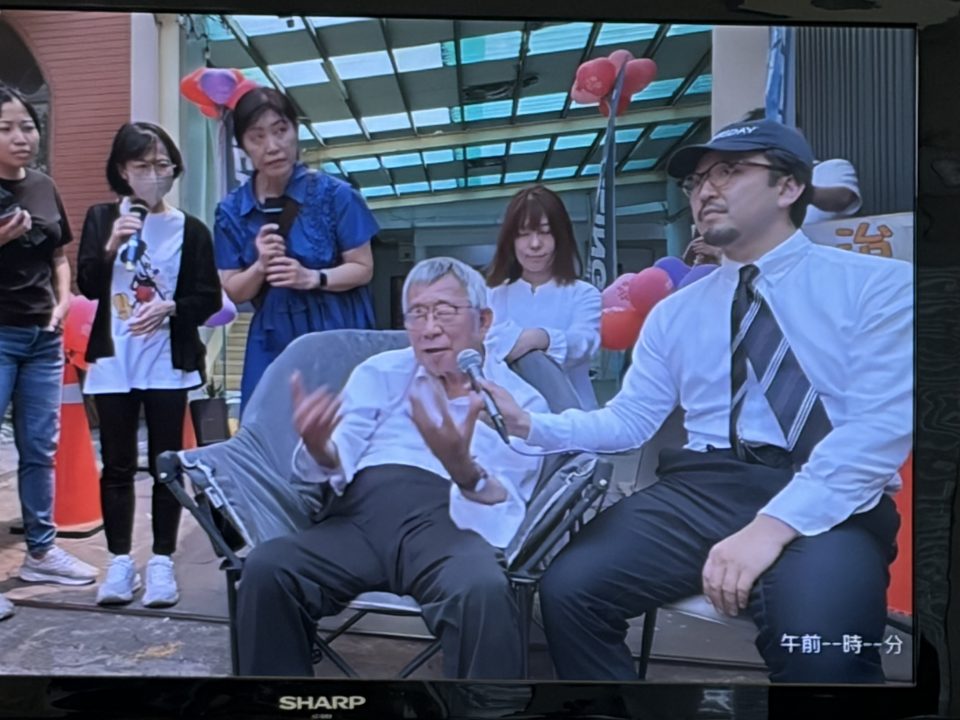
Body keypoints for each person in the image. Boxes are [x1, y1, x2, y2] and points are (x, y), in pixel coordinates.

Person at [481, 119, 912, 683]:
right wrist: (532, 425)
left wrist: (770, 528)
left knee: (824, 656)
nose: (706, 189)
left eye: (728, 171)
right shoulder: (675, 313)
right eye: (697, 180)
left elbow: (877, 430)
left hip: (830, 493)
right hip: (701, 488)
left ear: (788, 187)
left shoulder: (879, 286)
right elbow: (630, 419)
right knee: (569, 590)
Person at [235, 257, 547, 678]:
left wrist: (463, 467)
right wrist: (320, 449)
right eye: (417, 314)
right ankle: (281, 703)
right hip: (359, 518)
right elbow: (338, 460)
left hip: (453, 528)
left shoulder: (518, 401)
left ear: (484, 321)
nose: (429, 328)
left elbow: (510, 497)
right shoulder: (379, 371)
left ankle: (485, 706)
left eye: (445, 311)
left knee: (482, 590)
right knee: (268, 569)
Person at [77, 122, 221, 608]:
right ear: (123, 170)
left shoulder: (191, 229)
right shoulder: (102, 218)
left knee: (166, 463)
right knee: (117, 464)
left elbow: (208, 297)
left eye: (163, 165)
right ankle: (119, 561)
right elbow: (88, 285)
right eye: (143, 165)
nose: (154, 175)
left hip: (166, 361)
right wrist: (111, 246)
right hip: (114, 361)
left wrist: (171, 308)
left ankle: (161, 561)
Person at [214, 87, 377, 414]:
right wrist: (260, 266)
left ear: (295, 129)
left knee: (343, 427)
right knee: (269, 425)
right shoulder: (231, 210)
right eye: (257, 137)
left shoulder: (337, 195)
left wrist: (313, 277)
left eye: (280, 130)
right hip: (272, 336)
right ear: (243, 145)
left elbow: (363, 268)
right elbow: (233, 289)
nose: (272, 146)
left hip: (336, 327)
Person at [0, 84, 98, 620]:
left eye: (28, 126)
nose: (22, 137)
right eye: (6, 128)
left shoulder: (43, 186)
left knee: (41, 448)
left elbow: (59, 256)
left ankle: (41, 552)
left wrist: (64, 302)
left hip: (44, 337)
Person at [485, 185, 601, 409]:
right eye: (524, 234)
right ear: (510, 240)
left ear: (561, 236)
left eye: (545, 232)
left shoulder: (584, 294)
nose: (535, 244)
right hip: (511, 418)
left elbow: (584, 343)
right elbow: (485, 350)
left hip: (574, 418)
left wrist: (543, 338)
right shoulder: (493, 296)